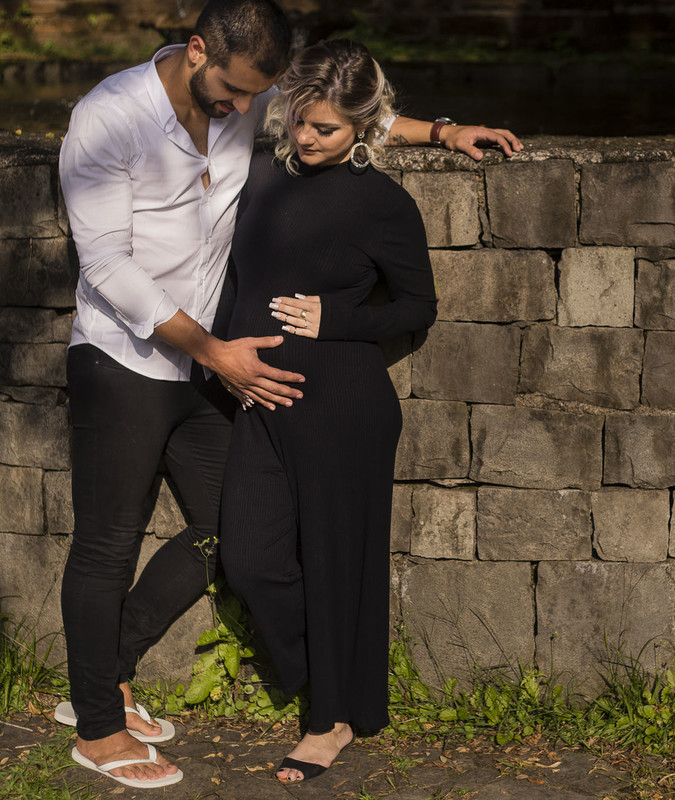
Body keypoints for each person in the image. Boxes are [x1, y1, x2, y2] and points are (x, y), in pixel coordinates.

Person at [56, 0, 521, 789]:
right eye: (238, 95)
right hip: (130, 361)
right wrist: (218, 354)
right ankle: (98, 725)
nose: (252, 114)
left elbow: (345, 119)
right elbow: (105, 264)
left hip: (214, 373)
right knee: (108, 545)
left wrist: (442, 132)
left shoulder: (254, 105)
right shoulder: (109, 118)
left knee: (222, 532)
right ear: (198, 52)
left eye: (259, 99)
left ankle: (114, 675)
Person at [214, 38, 435, 784]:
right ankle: (343, 680)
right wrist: (224, 357)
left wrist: (332, 319)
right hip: (262, 399)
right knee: (248, 559)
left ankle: (328, 720)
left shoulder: (382, 202)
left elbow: (417, 305)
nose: (305, 139)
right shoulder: (263, 177)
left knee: (338, 565)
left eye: (326, 129)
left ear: (363, 129)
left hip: (343, 403)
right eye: (299, 121)